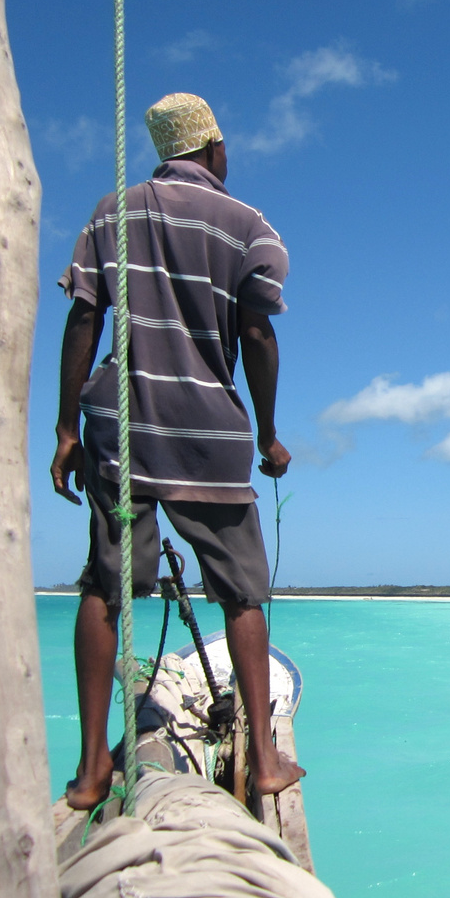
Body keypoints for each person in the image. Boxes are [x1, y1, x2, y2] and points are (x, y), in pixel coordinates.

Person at [51, 93, 305, 810]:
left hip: (121, 421)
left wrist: (66, 427)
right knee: (240, 594)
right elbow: (257, 333)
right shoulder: (249, 227)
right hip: (209, 428)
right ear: (215, 150)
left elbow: (83, 317)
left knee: (106, 585)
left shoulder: (112, 212)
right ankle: (263, 762)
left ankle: (91, 767)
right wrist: (267, 433)